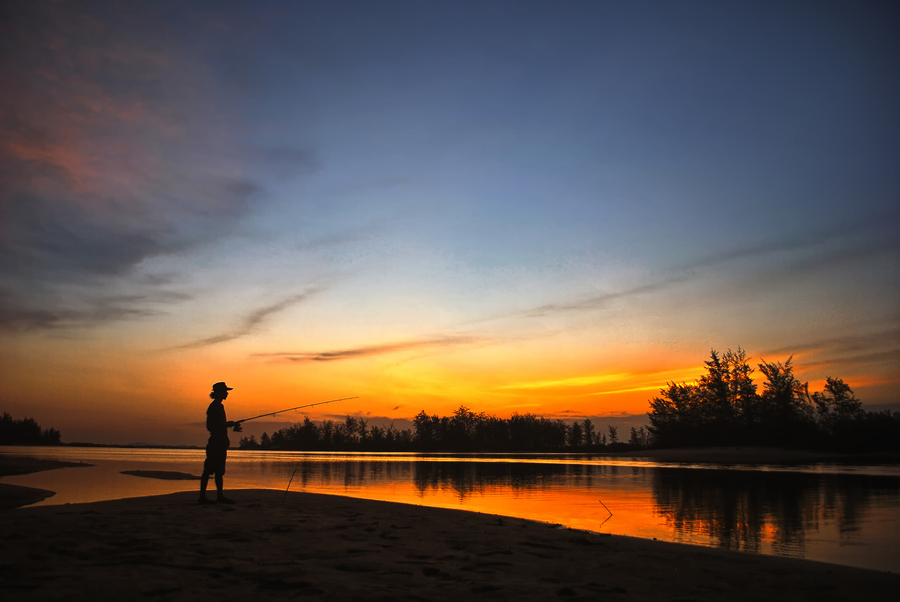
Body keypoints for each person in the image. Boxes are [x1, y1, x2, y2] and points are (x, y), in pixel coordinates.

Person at [198, 381, 242, 504]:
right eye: (225, 391)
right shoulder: (214, 407)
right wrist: (227, 425)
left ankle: (220, 496)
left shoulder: (219, 406)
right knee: (208, 470)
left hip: (220, 443)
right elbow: (211, 427)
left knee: (219, 471)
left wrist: (230, 426)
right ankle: (202, 497)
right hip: (215, 443)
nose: (227, 393)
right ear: (218, 393)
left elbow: (219, 426)